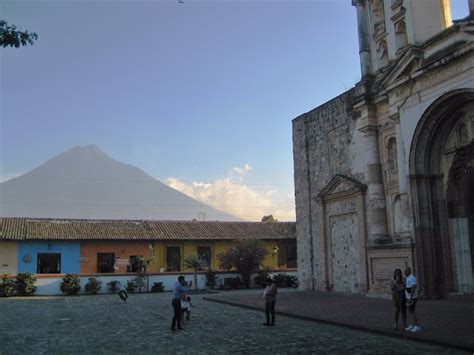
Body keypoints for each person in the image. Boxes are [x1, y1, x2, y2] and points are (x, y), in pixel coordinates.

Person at [404, 267, 421, 333]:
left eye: (405, 271)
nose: (404, 272)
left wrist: (411, 297)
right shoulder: (407, 277)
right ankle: (412, 325)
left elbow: (414, 287)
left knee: (412, 311)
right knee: (410, 311)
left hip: (412, 298)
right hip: (408, 297)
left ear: (409, 271)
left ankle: (417, 326)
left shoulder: (412, 277)